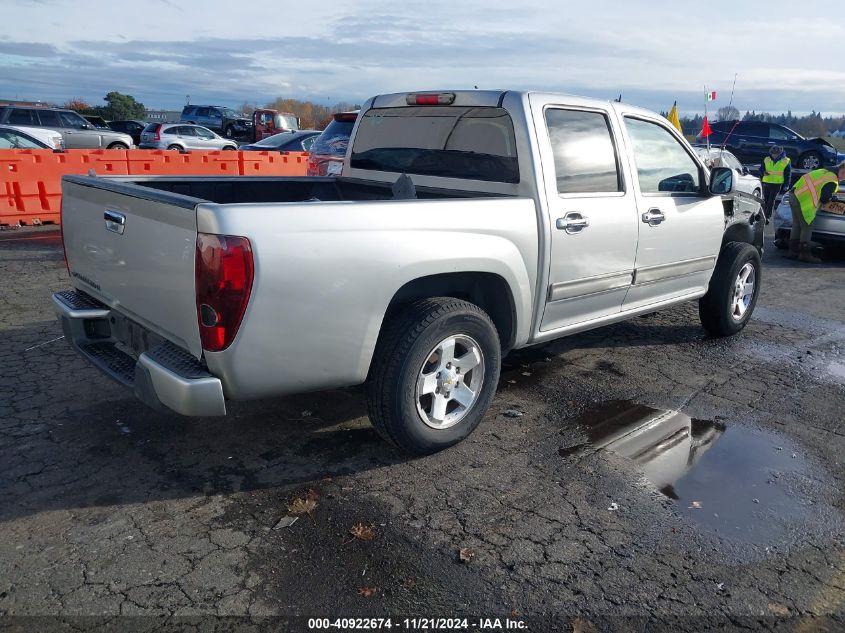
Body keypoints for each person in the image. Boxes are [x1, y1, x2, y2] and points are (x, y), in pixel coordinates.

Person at [784, 160, 845, 263]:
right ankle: (804, 254)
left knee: (796, 225)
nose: (843, 177)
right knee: (807, 226)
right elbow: (825, 199)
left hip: (793, 195)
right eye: (844, 173)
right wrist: (832, 198)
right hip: (803, 201)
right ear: (840, 168)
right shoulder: (832, 180)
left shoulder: (823, 171)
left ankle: (792, 252)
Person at [760, 145, 791, 223]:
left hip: (777, 184)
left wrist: (786, 185)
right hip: (766, 182)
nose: (774, 155)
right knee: (765, 200)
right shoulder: (766, 159)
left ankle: (767, 217)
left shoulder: (786, 160)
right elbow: (761, 169)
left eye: (776, 154)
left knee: (771, 200)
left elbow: (788, 174)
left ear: (780, 153)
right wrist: (763, 172)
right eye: (773, 154)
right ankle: (762, 215)